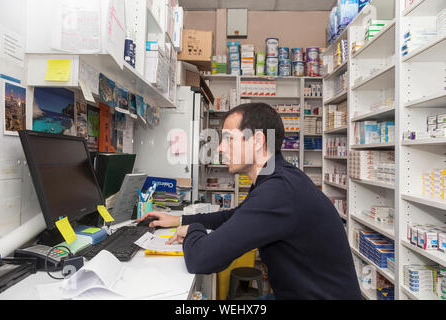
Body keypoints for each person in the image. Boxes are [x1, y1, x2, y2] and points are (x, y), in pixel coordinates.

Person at [138, 102, 362, 300]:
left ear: (257, 141)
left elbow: (201, 259)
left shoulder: (279, 191)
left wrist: (192, 229)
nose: (219, 148)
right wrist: (177, 219)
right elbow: (234, 215)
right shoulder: (276, 178)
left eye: (228, 139)